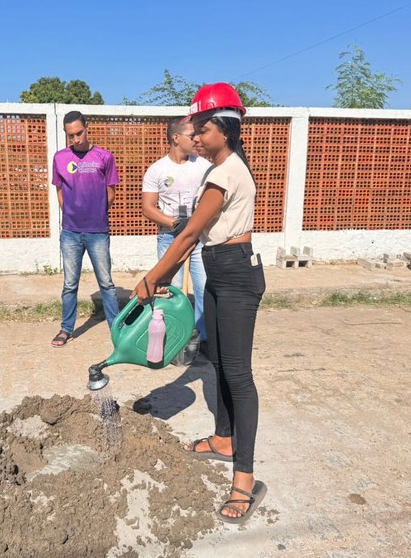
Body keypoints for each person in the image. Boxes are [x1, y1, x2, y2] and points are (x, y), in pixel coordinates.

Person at [132, 83, 266, 524]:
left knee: (239, 376)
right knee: (221, 366)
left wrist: (153, 277)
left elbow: (187, 234)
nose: (195, 137)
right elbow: (195, 233)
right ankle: (224, 439)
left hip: (235, 274)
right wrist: (166, 271)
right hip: (222, 265)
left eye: (202, 128)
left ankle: (244, 479)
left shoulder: (224, 173)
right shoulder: (227, 167)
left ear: (223, 129)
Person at [51, 111, 120, 347]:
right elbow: (59, 189)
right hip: (70, 232)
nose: (76, 139)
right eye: (71, 135)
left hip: (98, 231)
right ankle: (66, 328)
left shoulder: (104, 156)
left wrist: (98, 210)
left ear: (87, 128)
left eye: (79, 133)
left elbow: (111, 190)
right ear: (66, 134)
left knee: (107, 284)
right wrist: (69, 210)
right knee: (70, 284)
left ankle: (116, 328)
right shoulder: (59, 158)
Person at [141, 117, 211, 346]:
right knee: (170, 291)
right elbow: (148, 208)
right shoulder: (157, 170)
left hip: (200, 238)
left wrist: (195, 225)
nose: (196, 140)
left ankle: (203, 340)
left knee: (203, 289)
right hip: (169, 237)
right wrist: (174, 223)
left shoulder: (202, 166)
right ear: (176, 138)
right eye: (192, 136)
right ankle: (173, 340)